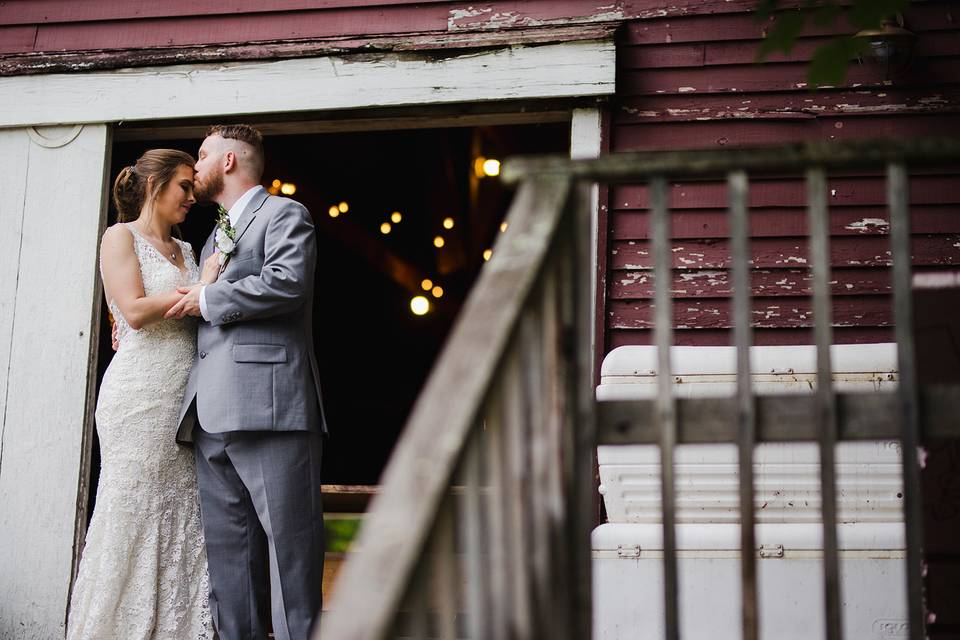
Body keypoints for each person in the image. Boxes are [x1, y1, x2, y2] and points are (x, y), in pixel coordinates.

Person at [167, 124, 327, 640]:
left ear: (231, 161)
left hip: (270, 405)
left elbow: (288, 282)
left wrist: (209, 299)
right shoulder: (215, 235)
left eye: (203, 154)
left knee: (290, 548)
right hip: (209, 411)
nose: (195, 167)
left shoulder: (283, 213)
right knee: (228, 556)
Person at [67, 149, 220, 639]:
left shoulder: (188, 250)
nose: (193, 197)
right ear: (154, 186)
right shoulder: (120, 237)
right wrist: (199, 291)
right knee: (132, 510)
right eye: (184, 186)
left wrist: (205, 288)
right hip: (138, 397)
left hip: (184, 399)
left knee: (182, 512)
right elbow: (132, 311)